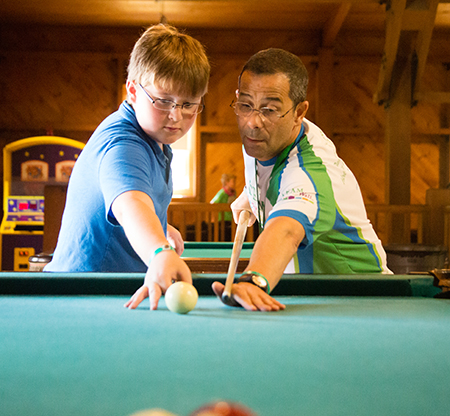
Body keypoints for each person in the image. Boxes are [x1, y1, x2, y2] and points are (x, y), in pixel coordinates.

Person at [45, 24, 210, 311]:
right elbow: (129, 203)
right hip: (81, 297)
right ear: (133, 90)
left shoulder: (157, 139)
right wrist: (159, 251)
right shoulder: (123, 143)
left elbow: (134, 200)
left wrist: (160, 226)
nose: (176, 116)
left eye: (188, 104)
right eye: (163, 101)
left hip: (106, 292)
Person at [211, 48, 391, 312]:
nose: (252, 122)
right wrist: (252, 194)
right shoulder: (265, 137)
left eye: (270, 109)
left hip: (365, 304)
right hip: (315, 301)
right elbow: (272, 175)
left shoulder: (310, 172)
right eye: (246, 105)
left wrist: (253, 281)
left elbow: (286, 229)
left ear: (299, 112)